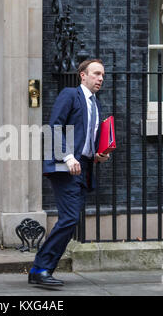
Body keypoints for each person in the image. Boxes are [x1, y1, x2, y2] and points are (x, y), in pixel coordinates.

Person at [29, 59, 110, 286]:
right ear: (82, 75)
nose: (100, 78)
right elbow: (54, 126)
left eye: (102, 74)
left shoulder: (95, 103)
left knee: (70, 219)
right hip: (65, 167)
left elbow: (85, 139)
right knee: (70, 218)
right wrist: (67, 156)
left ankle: (41, 269)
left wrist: (97, 154)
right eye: (96, 74)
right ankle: (40, 268)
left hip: (82, 167)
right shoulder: (70, 95)